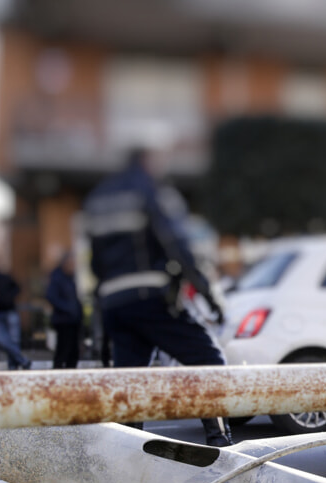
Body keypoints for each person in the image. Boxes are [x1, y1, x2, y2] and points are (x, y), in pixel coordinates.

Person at [85, 145, 233, 447]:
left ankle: (126, 452)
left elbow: (94, 262)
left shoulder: (99, 198)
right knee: (208, 360)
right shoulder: (151, 190)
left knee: (132, 382)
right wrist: (208, 294)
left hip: (115, 304)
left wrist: (102, 312)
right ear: (148, 161)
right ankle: (220, 442)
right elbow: (177, 243)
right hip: (150, 296)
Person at [45, 252, 83, 370]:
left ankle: (71, 372)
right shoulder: (57, 277)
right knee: (64, 348)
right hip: (64, 320)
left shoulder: (69, 277)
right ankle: (59, 372)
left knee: (73, 350)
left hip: (73, 319)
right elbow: (51, 296)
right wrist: (68, 308)